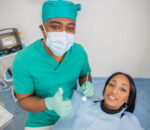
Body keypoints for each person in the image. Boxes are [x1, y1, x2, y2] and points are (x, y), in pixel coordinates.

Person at [12, 0, 94, 129]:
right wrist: (48, 104)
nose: (63, 33)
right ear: (42, 29)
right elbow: (23, 100)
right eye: (55, 27)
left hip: (72, 114)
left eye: (70, 28)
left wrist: (86, 84)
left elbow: (85, 74)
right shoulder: (24, 59)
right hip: (41, 121)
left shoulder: (79, 52)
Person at [52, 72, 144, 130]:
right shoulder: (83, 102)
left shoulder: (127, 123)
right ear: (105, 88)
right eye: (111, 85)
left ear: (128, 99)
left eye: (122, 89)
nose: (114, 91)